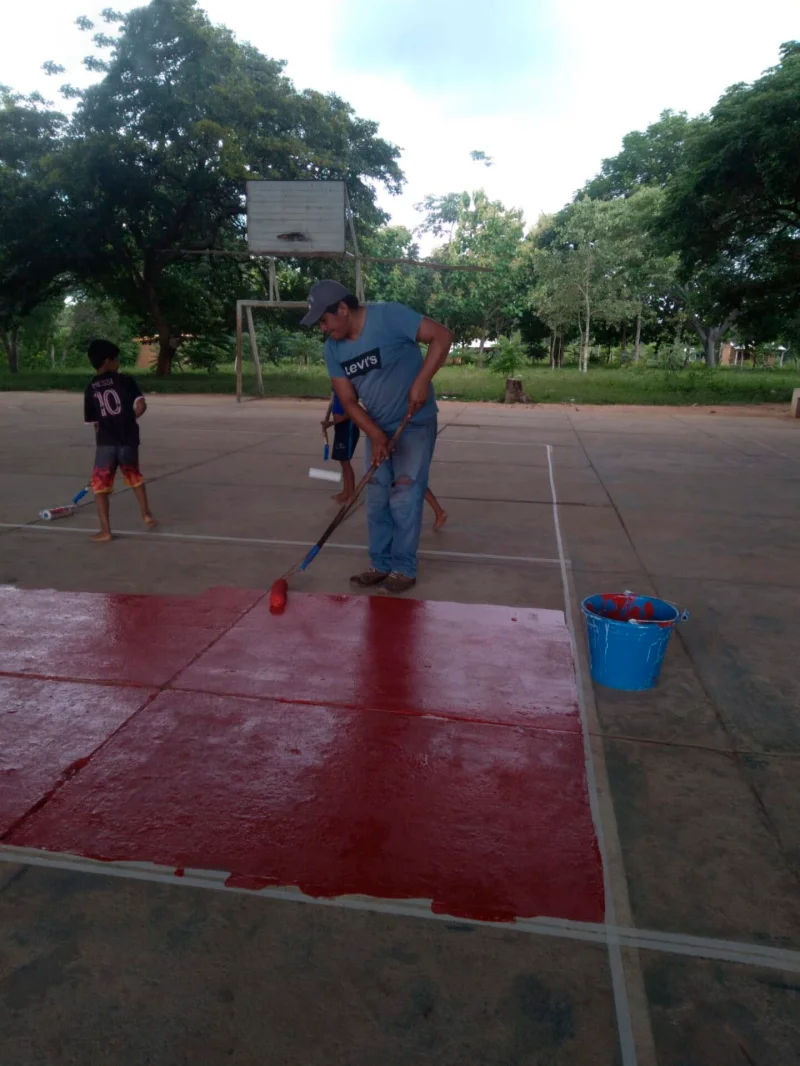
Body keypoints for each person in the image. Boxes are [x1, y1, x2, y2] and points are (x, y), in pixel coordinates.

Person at [302, 280, 453, 593]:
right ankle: (380, 565)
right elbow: (348, 400)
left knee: (405, 495)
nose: (324, 329)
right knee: (376, 498)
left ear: (342, 308)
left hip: (414, 423)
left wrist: (421, 382)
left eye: (325, 320)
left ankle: (403, 569)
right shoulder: (333, 348)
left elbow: (442, 336)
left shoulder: (389, 316)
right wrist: (375, 434)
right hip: (376, 425)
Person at [322, 390, 448, 528]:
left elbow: (350, 412)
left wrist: (330, 423)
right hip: (379, 436)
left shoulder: (349, 392)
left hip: (383, 436)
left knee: (408, 479)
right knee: (392, 478)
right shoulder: (338, 390)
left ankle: (438, 511)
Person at [84, 339, 156, 542]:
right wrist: (130, 420)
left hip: (105, 443)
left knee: (100, 487)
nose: (119, 363)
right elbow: (141, 405)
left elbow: (95, 423)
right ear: (108, 361)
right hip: (127, 440)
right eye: (117, 359)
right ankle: (146, 514)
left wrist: (99, 451)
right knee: (134, 476)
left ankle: (105, 531)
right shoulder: (126, 380)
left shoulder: (91, 387)